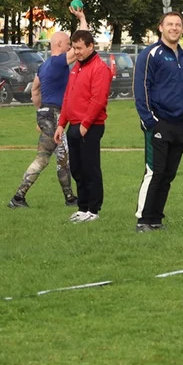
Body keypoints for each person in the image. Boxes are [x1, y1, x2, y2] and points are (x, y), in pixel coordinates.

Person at [135, 13, 183, 231]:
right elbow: (141, 88)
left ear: (182, 29)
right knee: (155, 171)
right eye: (170, 24)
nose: (174, 28)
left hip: (181, 126)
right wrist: (149, 120)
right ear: (160, 27)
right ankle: (143, 219)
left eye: (178, 25)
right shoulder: (151, 54)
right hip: (159, 123)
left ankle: (156, 218)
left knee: (168, 174)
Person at [8, 28, 82, 209]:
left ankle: (68, 197)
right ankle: (19, 197)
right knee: (56, 156)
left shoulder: (44, 65)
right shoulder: (58, 62)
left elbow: (35, 90)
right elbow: (81, 47)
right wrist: (81, 20)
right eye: (68, 43)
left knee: (52, 157)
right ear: (59, 44)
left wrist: (40, 114)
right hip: (54, 115)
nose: (71, 46)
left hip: (45, 114)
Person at [52, 30, 111, 222]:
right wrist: (62, 124)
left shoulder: (99, 68)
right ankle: (83, 206)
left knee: (90, 167)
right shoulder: (77, 67)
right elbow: (68, 96)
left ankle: (94, 209)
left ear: (90, 46)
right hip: (74, 125)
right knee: (76, 168)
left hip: (90, 126)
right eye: (74, 47)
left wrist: (85, 124)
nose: (76, 52)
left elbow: (98, 100)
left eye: (79, 48)